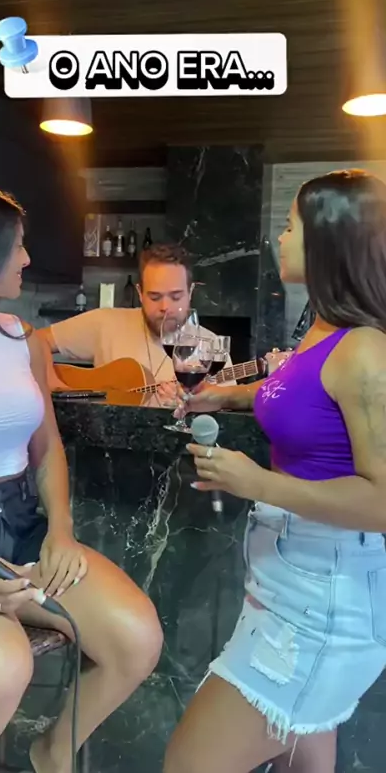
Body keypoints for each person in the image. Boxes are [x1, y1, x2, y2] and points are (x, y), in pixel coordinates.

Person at [0, 186, 163, 773]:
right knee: (1, 670)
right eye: (17, 246)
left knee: (136, 639)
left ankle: (51, 752)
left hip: (20, 526)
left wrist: (61, 531)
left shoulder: (23, 339)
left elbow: (47, 451)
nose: (26, 259)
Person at [164, 169, 386, 773]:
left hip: (327, 598)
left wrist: (256, 483)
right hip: (290, 582)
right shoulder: (322, 329)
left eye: (290, 226)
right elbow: (305, 392)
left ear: (329, 239)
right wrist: (231, 396)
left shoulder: (365, 349)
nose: (279, 239)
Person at [37, 244, 235, 403]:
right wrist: (54, 384)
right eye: (155, 297)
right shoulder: (105, 322)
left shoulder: (213, 348)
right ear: (140, 293)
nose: (165, 307)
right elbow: (36, 340)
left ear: (190, 292)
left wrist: (194, 406)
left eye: (176, 297)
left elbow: (222, 422)